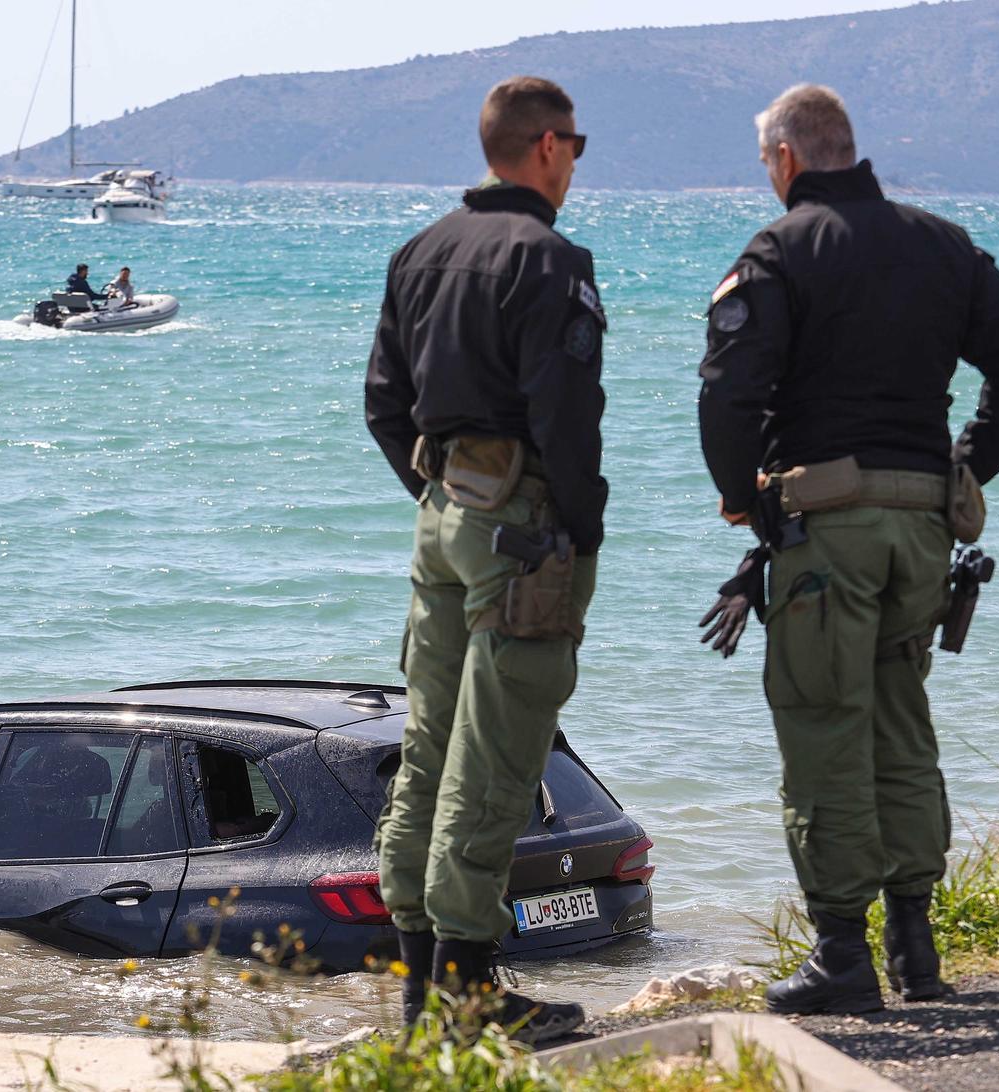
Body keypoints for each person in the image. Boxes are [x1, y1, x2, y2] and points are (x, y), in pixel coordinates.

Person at [697, 84, 999, 1015]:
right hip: (923, 531)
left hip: (830, 529)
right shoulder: (943, 244)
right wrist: (964, 468)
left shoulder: (779, 250)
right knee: (900, 721)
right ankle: (918, 949)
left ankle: (841, 958)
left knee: (825, 726)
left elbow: (731, 396)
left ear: (785, 160)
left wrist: (745, 503)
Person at [364, 75, 605, 1044]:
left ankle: (422, 995)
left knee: (427, 743)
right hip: (520, 528)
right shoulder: (546, 261)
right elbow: (567, 422)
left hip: (440, 518)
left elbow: (384, 405)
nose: (576, 165)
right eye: (576, 146)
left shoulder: (419, 252)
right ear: (545, 148)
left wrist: (440, 497)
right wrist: (577, 535)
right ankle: (469, 995)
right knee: (494, 757)